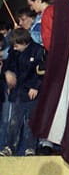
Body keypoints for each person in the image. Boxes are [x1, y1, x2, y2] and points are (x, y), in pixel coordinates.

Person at [0, 28, 45, 156]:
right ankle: (9, 147)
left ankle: (30, 147)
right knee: (14, 121)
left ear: (24, 42)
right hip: (18, 91)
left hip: (32, 93)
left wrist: (35, 86)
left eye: (16, 46)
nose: (14, 48)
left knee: (31, 121)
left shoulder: (38, 50)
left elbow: (41, 71)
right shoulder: (14, 52)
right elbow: (7, 65)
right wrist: (7, 73)